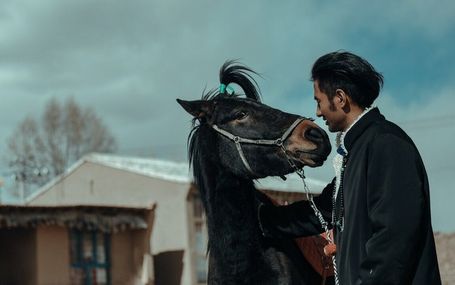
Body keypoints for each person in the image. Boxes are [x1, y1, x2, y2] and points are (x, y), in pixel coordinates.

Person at [259, 51, 441, 284]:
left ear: (340, 98)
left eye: (319, 101)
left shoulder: (386, 144)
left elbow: (393, 239)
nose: (317, 112)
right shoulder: (356, 153)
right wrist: (263, 218)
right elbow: (319, 213)